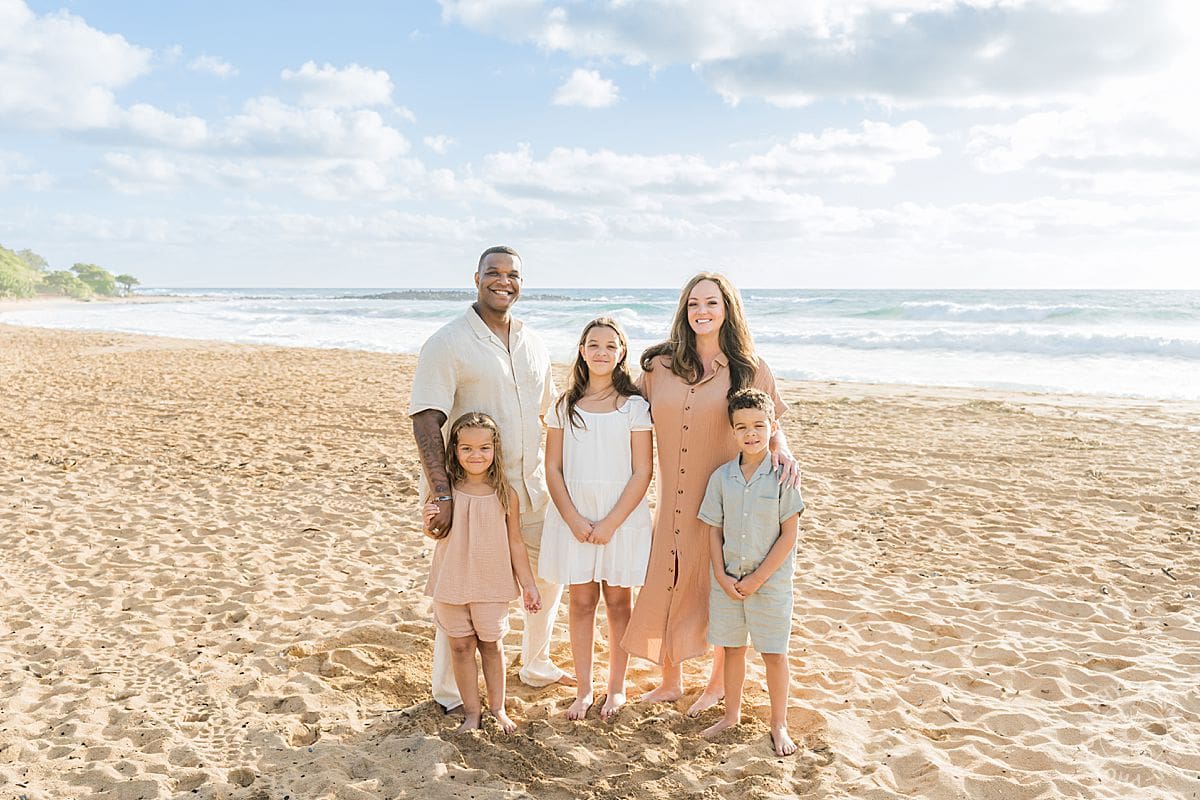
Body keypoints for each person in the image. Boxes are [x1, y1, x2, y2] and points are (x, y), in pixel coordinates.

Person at [622, 272, 800, 716]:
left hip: (726, 497)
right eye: (694, 303)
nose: (702, 311)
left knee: (717, 585)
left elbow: (768, 424)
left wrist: (783, 451)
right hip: (672, 498)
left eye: (712, 303)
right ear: (684, 310)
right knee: (669, 576)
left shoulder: (749, 367)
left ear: (727, 310)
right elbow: (622, 410)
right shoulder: (658, 367)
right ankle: (670, 681)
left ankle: (718, 684)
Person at [409, 245, 571, 712]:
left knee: (547, 576)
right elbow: (425, 419)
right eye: (493, 273)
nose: (503, 281)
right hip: (470, 496)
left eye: (512, 274)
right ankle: (448, 694)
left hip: (531, 489)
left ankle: (535, 663)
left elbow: (552, 415)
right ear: (475, 278)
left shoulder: (533, 342)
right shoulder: (448, 342)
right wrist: (442, 494)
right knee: (459, 590)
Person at [539, 317, 654, 721]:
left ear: (622, 352)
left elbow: (643, 471)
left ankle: (616, 688)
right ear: (582, 351)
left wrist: (610, 523)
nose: (601, 352)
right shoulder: (564, 406)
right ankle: (585, 689)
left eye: (610, 345)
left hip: (620, 517)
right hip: (574, 515)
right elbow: (552, 468)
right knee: (582, 602)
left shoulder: (635, 408)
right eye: (593, 344)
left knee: (619, 603)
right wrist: (572, 518)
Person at [698, 389, 804, 755]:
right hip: (727, 582)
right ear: (732, 432)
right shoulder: (722, 478)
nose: (751, 433)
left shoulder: (783, 477)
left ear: (773, 427)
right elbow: (713, 529)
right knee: (732, 650)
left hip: (770, 585)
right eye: (741, 427)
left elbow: (789, 534)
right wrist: (722, 576)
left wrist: (758, 578)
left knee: (774, 653)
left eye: (759, 426)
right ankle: (731, 714)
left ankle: (779, 724)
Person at [422, 412, 543, 733]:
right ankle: (472, 713)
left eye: (484, 448)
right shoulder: (446, 491)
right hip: (453, 580)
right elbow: (434, 532)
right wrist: (428, 519)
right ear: (455, 451)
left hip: (492, 583)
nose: (476, 456)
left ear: (495, 449)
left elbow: (516, 543)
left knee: (491, 645)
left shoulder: (507, 494)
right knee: (460, 647)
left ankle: (498, 709)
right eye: (467, 449)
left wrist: (528, 584)